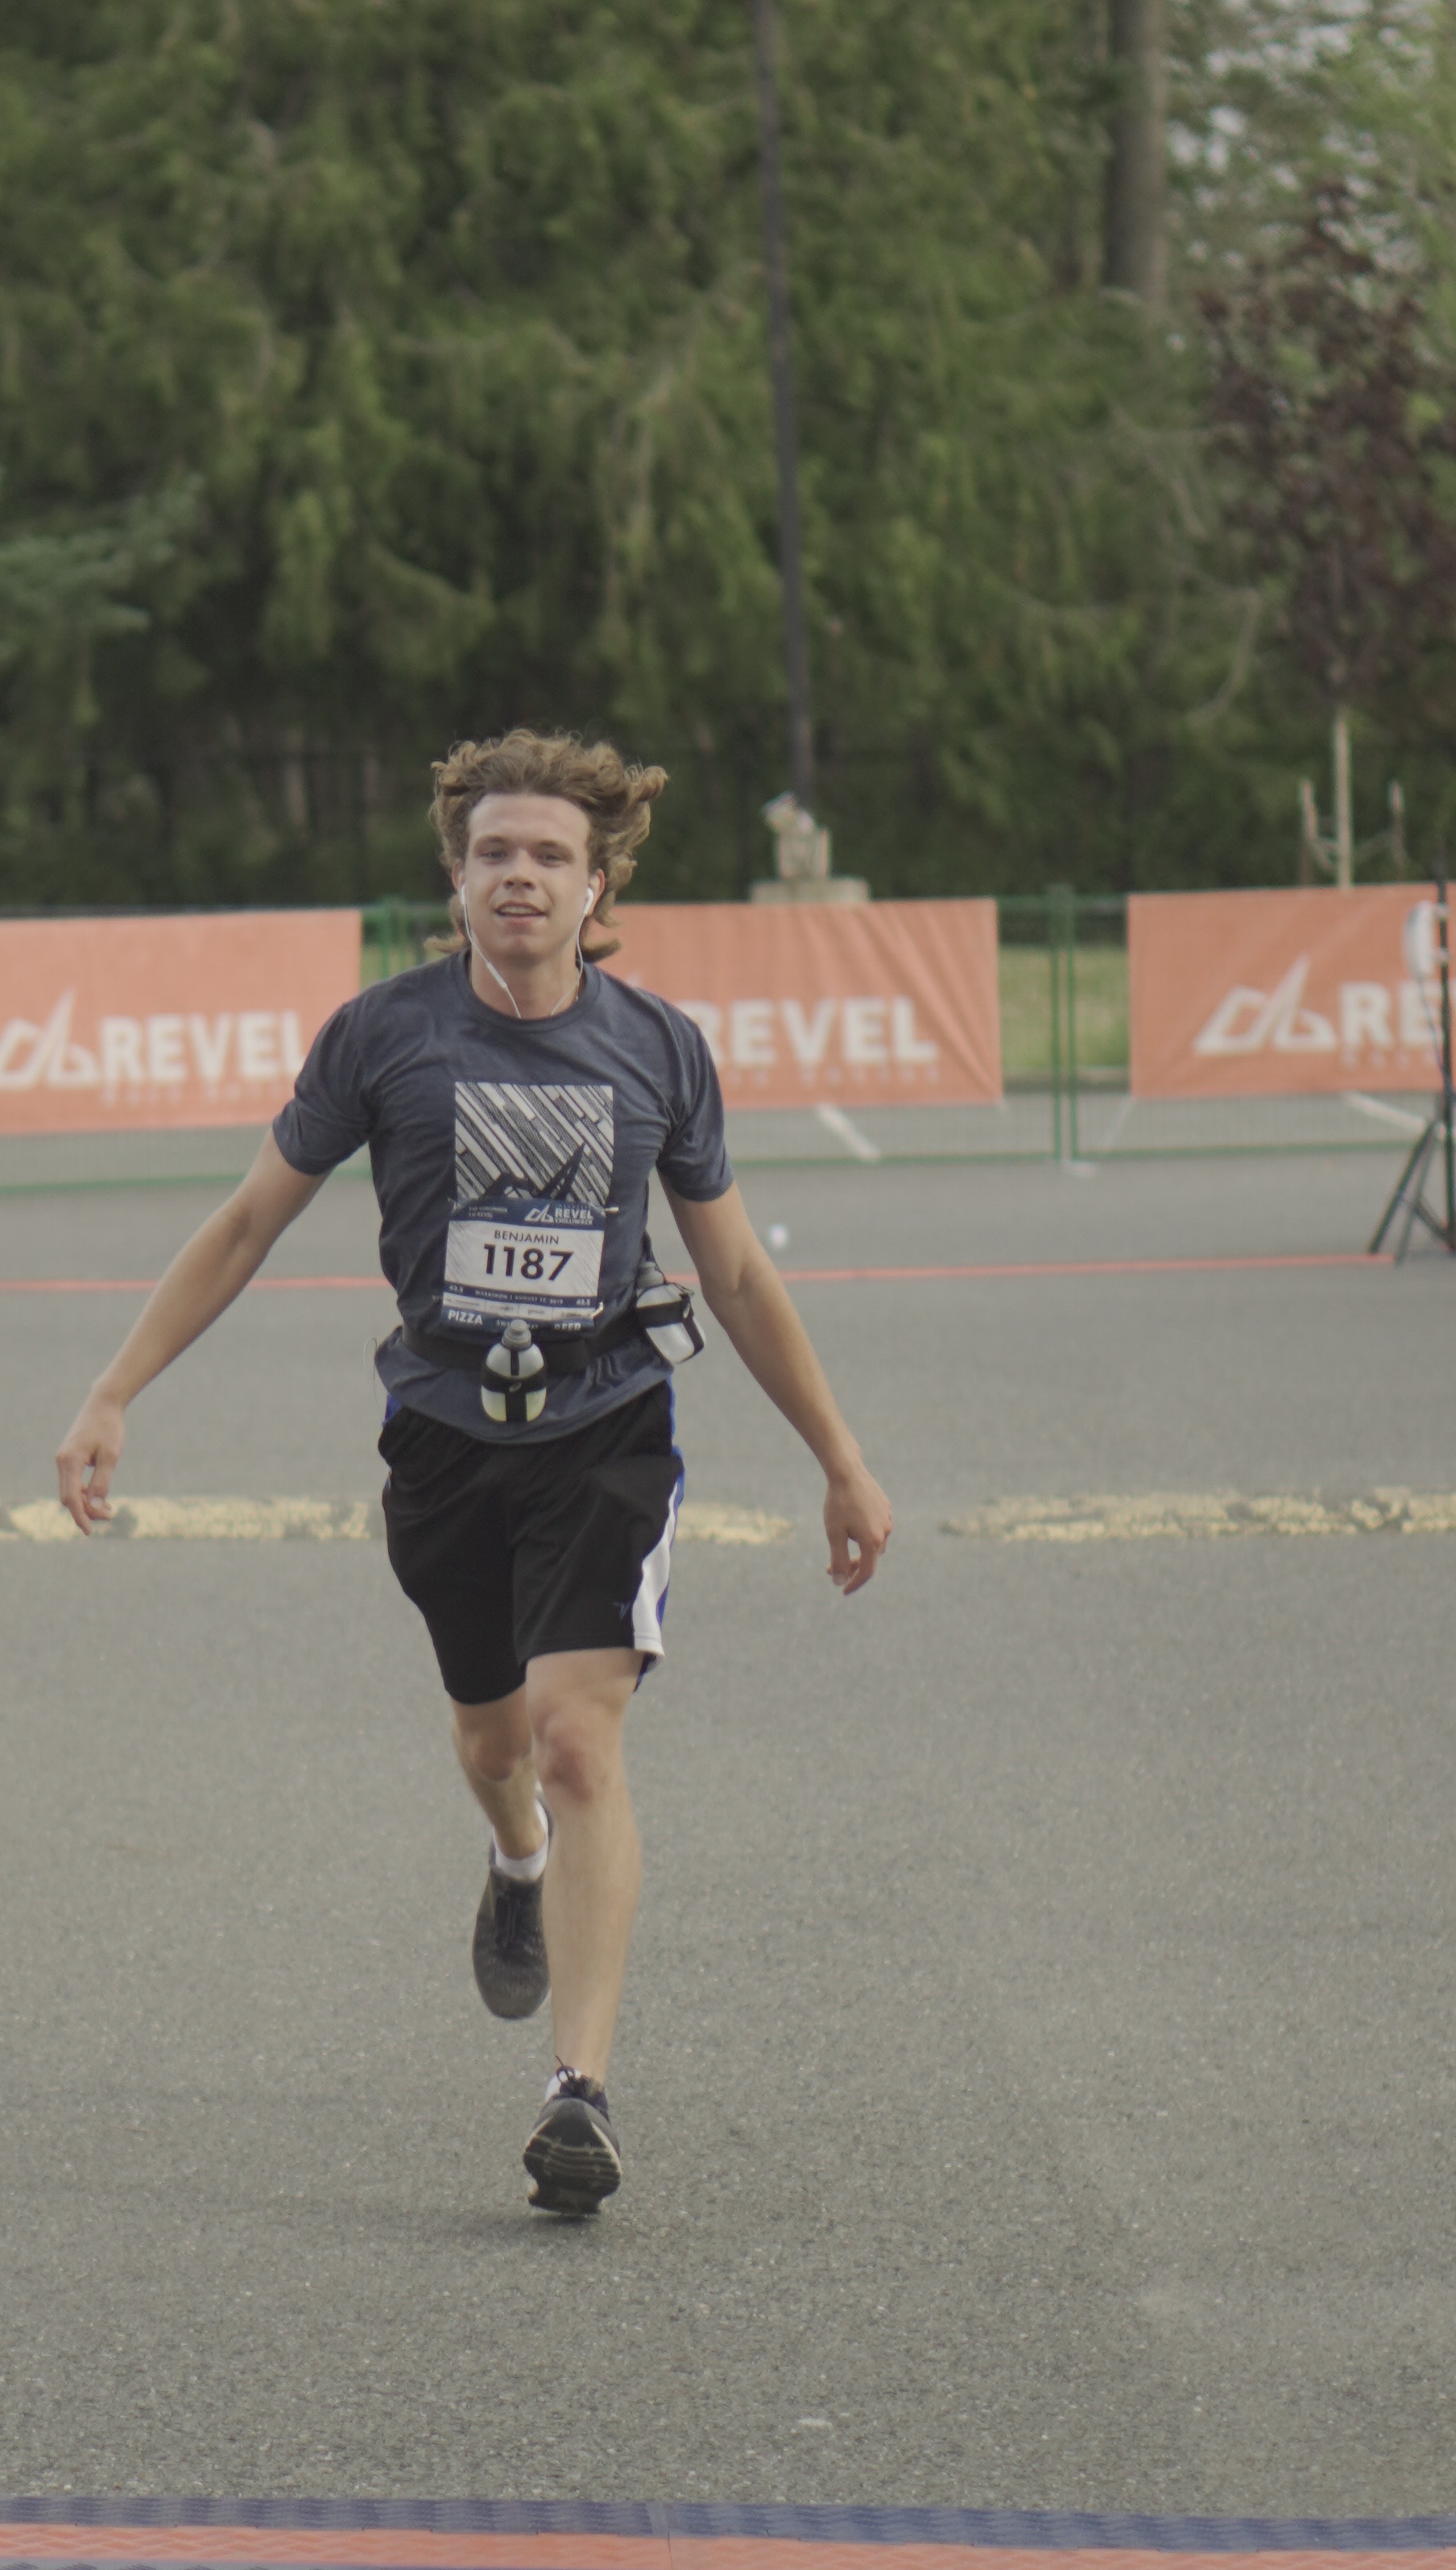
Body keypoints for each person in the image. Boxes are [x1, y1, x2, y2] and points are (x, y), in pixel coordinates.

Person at [55, 728, 895, 2217]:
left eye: (551, 855)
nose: (521, 875)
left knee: (578, 1744)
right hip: (445, 1434)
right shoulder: (382, 1037)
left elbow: (738, 1273)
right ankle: (516, 1861)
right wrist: (115, 1390)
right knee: (495, 1744)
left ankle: (580, 2092)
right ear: (455, 876)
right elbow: (247, 1224)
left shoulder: (658, 1049)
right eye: (493, 851)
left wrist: (840, 1457)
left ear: (597, 884)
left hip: (606, 1427)